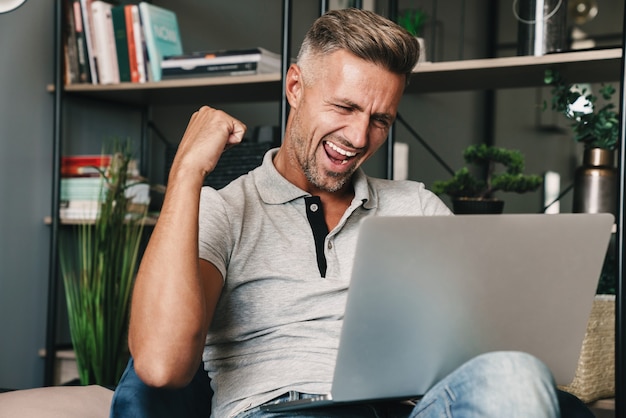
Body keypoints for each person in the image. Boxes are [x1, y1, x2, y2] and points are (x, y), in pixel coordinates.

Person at [125, 8, 568, 418]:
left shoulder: (415, 207)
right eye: (345, 107)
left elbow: (483, 340)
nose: (359, 137)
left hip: (403, 409)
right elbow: (162, 367)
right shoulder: (222, 210)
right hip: (282, 409)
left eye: (381, 120)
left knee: (515, 374)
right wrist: (187, 171)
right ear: (295, 87)